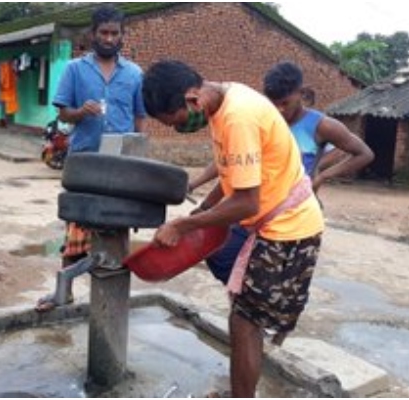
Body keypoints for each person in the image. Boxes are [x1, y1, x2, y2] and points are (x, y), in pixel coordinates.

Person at [142, 60, 324, 397]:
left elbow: (246, 202)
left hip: (288, 228)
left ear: (193, 98)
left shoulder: (237, 118)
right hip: (276, 222)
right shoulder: (226, 98)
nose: (182, 130)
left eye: (178, 122)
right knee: (243, 312)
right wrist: (204, 209)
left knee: (244, 324)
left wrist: (183, 225)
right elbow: (232, 175)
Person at [189, 61, 374, 285]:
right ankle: (245, 301)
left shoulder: (322, 126)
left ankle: (253, 304)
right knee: (219, 253)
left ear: (302, 94)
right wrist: (198, 191)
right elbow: (232, 165)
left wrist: (322, 175)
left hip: (287, 213)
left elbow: (363, 153)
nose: (280, 110)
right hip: (253, 204)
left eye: (285, 103)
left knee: (270, 280)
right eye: (273, 103)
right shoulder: (259, 117)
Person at [35, 4, 146, 312]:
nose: (109, 38)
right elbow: (63, 113)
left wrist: (140, 161)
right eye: (104, 32)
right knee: (77, 224)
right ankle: (65, 290)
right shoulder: (75, 70)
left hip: (121, 165)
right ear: (93, 34)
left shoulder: (135, 74)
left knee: (117, 225)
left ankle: (113, 293)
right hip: (84, 161)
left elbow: (139, 121)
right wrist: (79, 112)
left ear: (122, 36)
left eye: (115, 33)